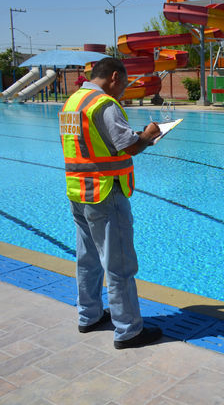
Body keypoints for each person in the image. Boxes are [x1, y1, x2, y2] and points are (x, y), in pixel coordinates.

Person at [59, 57, 163, 349]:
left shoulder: (72, 102)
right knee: (119, 264)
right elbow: (129, 146)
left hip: (78, 190)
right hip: (105, 192)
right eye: (125, 83)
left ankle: (89, 315)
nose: (124, 89)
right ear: (114, 77)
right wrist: (149, 136)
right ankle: (128, 330)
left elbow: (92, 143)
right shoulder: (103, 104)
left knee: (87, 259)